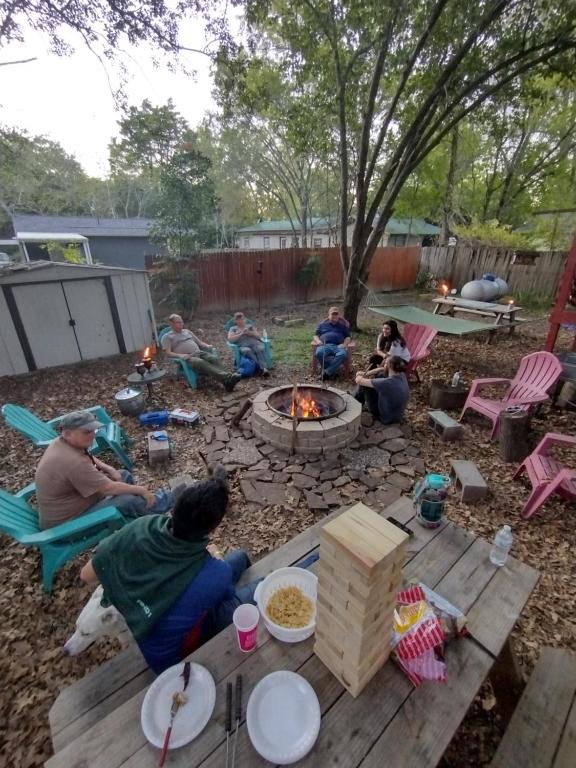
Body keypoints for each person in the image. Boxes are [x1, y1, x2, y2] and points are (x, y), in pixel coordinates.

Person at [79, 466, 261, 674]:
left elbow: (86, 575)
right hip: (175, 657)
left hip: (151, 636)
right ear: (214, 527)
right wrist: (216, 561)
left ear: (175, 510)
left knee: (238, 557)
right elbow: (228, 595)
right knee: (263, 585)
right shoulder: (214, 572)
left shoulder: (144, 525)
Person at [35, 411, 173, 529]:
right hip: (68, 523)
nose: (93, 435)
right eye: (87, 432)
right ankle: (159, 512)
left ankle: (145, 509)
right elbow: (107, 489)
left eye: (93, 430)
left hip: (77, 501)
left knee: (122, 475)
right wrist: (142, 490)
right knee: (126, 501)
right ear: (68, 433)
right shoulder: (72, 462)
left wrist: (107, 467)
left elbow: (85, 455)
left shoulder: (61, 442)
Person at [162, 313, 241, 392]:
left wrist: (207, 346)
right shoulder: (167, 337)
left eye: (182, 322)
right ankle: (228, 378)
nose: (182, 324)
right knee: (201, 362)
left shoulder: (187, 331)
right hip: (188, 357)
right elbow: (168, 353)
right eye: (178, 322)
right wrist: (180, 355)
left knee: (214, 358)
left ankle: (227, 381)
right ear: (171, 324)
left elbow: (199, 343)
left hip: (199, 352)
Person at [354, 356, 410, 424]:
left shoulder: (387, 383)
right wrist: (368, 373)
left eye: (385, 363)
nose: (384, 364)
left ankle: (355, 404)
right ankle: (357, 400)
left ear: (390, 366)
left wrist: (358, 375)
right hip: (396, 415)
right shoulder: (401, 374)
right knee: (380, 374)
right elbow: (382, 369)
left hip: (385, 418)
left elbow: (359, 381)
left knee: (364, 386)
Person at [312, 306, 351, 380]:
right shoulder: (322, 325)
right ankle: (333, 371)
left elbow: (348, 337)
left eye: (336, 314)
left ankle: (326, 373)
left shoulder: (343, 326)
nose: (334, 316)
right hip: (325, 345)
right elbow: (315, 335)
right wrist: (318, 341)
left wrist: (344, 344)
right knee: (319, 353)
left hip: (338, 346)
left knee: (343, 354)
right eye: (333, 314)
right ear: (329, 315)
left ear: (338, 316)